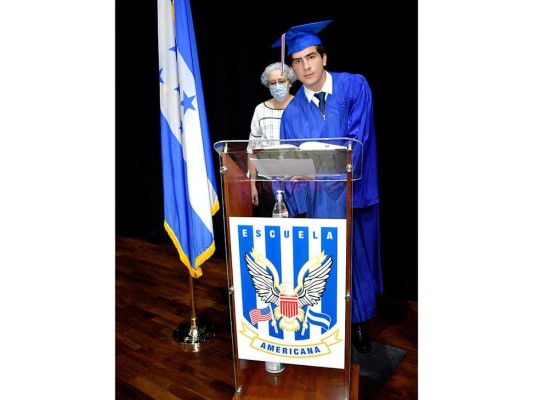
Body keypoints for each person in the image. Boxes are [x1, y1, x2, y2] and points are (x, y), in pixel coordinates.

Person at [272, 20, 382, 353]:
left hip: (352, 193)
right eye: (297, 61)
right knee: (323, 262)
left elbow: (358, 140)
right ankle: (330, 322)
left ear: (324, 57)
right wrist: (289, 196)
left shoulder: (353, 87)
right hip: (317, 201)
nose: (305, 66)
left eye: (310, 57)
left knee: (356, 260)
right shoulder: (291, 113)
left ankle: (359, 322)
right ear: (291, 67)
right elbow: (288, 160)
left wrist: (329, 172)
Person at [246, 62, 297, 217]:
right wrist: (252, 185)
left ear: (290, 82)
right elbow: (251, 150)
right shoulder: (260, 110)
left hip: (298, 182)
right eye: (272, 83)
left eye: (281, 81)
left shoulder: (301, 106)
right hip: (268, 183)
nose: (277, 86)